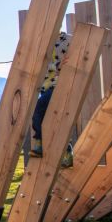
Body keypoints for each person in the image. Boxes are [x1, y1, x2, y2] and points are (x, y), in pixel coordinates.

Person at [30, 31, 74, 168]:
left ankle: (39, 142)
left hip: (60, 85)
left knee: (39, 109)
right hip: (45, 87)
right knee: (52, 121)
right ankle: (65, 152)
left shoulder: (68, 39)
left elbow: (81, 57)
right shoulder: (40, 43)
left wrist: (65, 64)